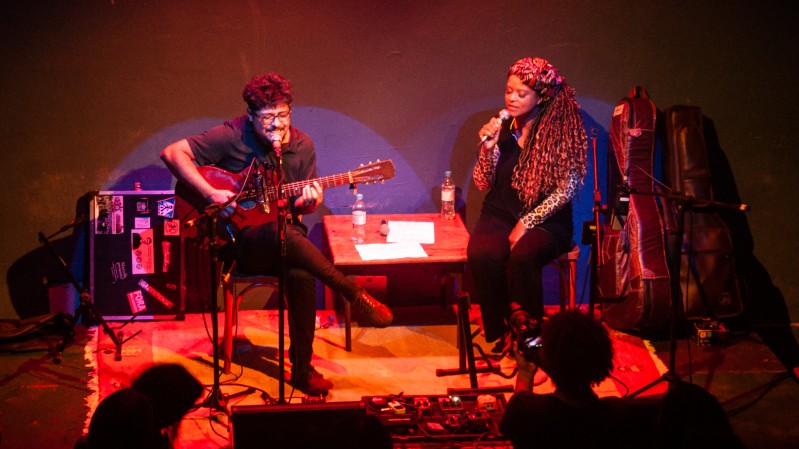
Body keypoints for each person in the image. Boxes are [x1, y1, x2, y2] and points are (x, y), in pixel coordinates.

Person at [160, 73, 393, 396]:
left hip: (286, 242)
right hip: (239, 241)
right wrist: (211, 193)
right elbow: (172, 154)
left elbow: (300, 208)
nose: (277, 125)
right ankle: (351, 290)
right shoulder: (231, 135)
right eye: (268, 117)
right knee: (283, 234)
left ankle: (301, 369)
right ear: (252, 115)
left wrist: (309, 202)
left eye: (283, 115)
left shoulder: (301, 146)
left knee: (300, 273)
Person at [467, 57, 588, 352]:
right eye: (509, 90)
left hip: (547, 221)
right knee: (482, 254)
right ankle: (503, 330)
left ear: (540, 96)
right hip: (500, 211)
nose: (512, 98)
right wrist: (488, 148)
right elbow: (483, 183)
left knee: (522, 256)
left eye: (521, 94)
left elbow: (566, 189)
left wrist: (527, 222)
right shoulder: (504, 127)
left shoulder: (560, 132)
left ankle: (532, 339)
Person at [499, 309, 642, 448]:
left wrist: (524, 373)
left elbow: (513, 427)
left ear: (547, 357)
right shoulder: (617, 413)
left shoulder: (524, 409)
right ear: (604, 358)